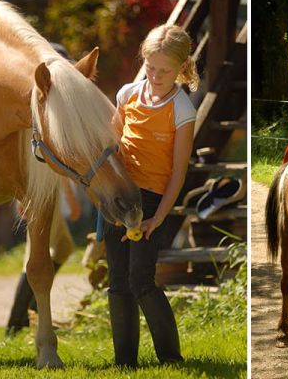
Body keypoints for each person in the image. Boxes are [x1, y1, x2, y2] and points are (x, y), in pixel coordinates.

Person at [105, 24, 199, 366]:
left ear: (181, 69)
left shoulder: (182, 109)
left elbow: (178, 172)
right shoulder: (127, 94)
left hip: (151, 201)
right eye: (151, 68)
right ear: (144, 61)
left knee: (140, 279)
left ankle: (171, 359)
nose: (157, 76)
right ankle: (124, 361)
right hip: (119, 196)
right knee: (117, 280)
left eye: (166, 71)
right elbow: (112, 149)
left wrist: (158, 217)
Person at [6, 178, 81, 336]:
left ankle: (32, 311)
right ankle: (15, 324)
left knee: (64, 247)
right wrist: (21, 198)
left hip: (49, 197)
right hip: (42, 200)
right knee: (34, 255)